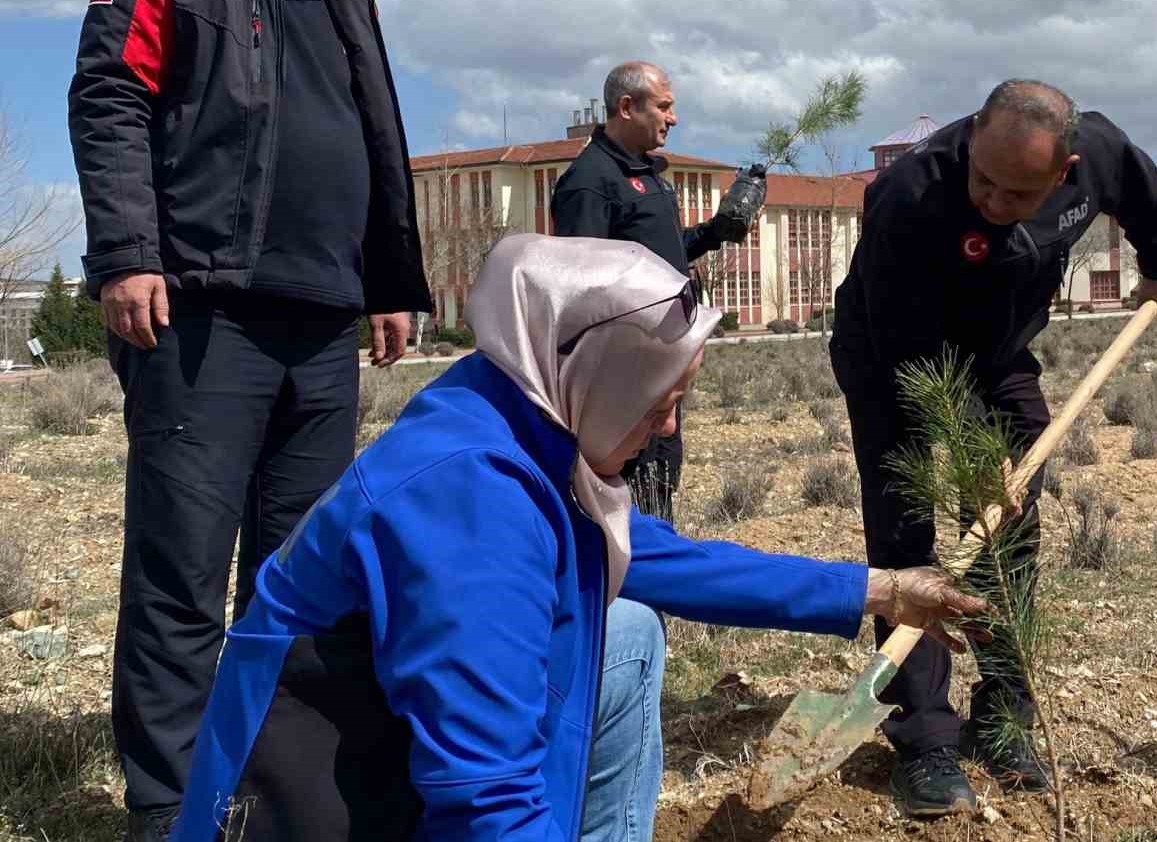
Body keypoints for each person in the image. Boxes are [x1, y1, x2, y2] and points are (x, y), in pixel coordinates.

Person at [169, 235, 985, 842]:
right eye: (659, 400)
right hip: (307, 805)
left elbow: (663, 556)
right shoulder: (471, 501)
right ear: (598, 372)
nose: (667, 428)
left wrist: (880, 589)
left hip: (380, 746)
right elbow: (485, 792)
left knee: (626, 631)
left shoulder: (522, 408)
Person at [65, 0, 431, 838]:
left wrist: (388, 280)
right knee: (182, 579)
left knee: (301, 582)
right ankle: (168, 808)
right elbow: (112, 97)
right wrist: (129, 255)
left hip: (322, 325)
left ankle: (275, 802)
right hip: (202, 314)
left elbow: (372, 132)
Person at [829, 79, 1157, 815]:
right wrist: (972, 448)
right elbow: (913, 359)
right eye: (982, 180)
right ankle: (925, 739)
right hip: (894, 356)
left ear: (1063, 171)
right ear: (973, 139)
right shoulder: (909, 198)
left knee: (1008, 531)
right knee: (908, 539)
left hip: (998, 351)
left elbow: (1146, 200)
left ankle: (1003, 715)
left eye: (1016, 193)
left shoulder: (1101, 154)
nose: (992, 200)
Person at [550, 61, 753, 520]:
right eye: (664, 106)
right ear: (626, 107)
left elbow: (662, 256)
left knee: (659, 490)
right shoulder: (590, 183)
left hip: (661, 372)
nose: (673, 118)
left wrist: (717, 231)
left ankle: (656, 584)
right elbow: (581, 287)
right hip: (624, 383)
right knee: (628, 505)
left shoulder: (648, 174)